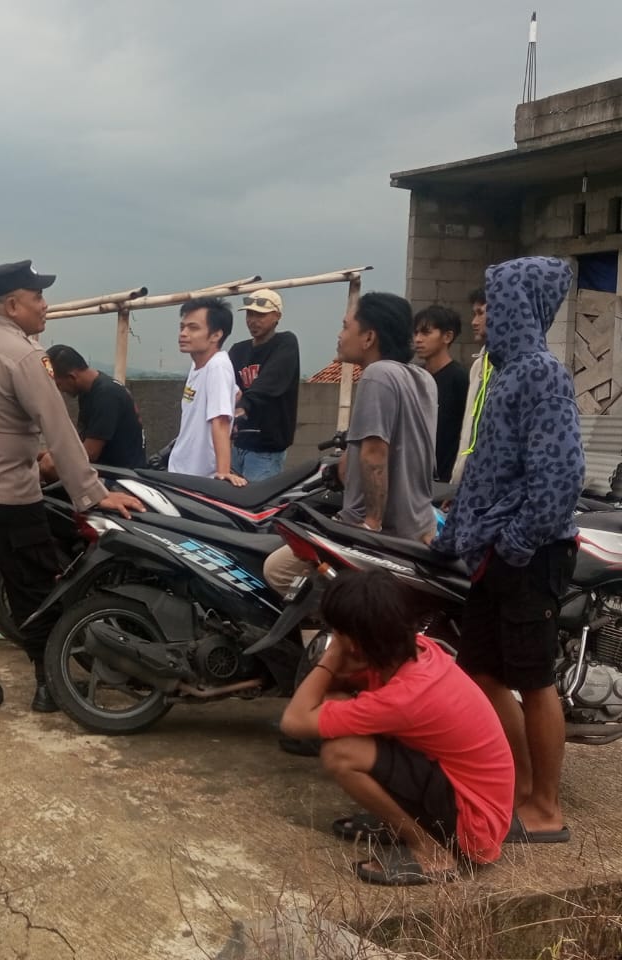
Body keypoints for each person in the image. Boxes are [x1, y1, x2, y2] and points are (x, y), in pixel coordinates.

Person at [0, 259, 144, 719]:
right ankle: (48, 687)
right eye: (38, 297)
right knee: (34, 587)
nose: (45, 307)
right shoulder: (23, 355)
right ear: (13, 304)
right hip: (5, 494)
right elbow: (58, 428)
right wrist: (93, 493)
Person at [434, 256, 582, 845]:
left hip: (528, 555)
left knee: (534, 678)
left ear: (522, 307)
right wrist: (451, 535)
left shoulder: (544, 374)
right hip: (490, 550)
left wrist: (515, 543)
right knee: (481, 671)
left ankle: (545, 808)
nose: (484, 315)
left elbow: (560, 475)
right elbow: (484, 470)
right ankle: (518, 787)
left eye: (495, 303)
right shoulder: (501, 373)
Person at [280, 569, 514, 885]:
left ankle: (430, 851)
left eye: (337, 632)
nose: (333, 637)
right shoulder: (411, 649)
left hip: (474, 825)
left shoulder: (405, 697)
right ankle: (400, 825)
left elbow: (294, 722)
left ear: (355, 642)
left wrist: (332, 655)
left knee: (341, 753)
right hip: (463, 792)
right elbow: (323, 697)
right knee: (334, 701)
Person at [263, 292, 437, 597]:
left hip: (382, 535)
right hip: (420, 526)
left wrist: (370, 526)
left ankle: (329, 640)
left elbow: (374, 454)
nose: (339, 335)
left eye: (345, 327)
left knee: (276, 569)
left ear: (368, 337)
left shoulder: (378, 375)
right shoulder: (423, 379)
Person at [167, 297, 245, 486]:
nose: (183, 333)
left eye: (193, 328)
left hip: (201, 478)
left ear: (216, 335)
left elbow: (220, 421)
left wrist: (223, 472)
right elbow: (236, 393)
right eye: (182, 327)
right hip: (181, 469)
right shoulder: (199, 365)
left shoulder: (217, 366)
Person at [40, 344, 147, 474]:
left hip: (121, 475)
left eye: (59, 384)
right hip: (106, 467)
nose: (60, 390)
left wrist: (51, 458)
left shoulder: (107, 395)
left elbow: (90, 453)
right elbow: (81, 443)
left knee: (49, 466)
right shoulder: (89, 390)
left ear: (72, 377)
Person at [228, 289, 300, 481]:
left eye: (260, 315)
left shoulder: (285, 343)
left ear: (277, 316)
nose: (252, 320)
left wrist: (244, 406)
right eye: (249, 314)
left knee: (255, 506)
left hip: (266, 450)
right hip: (237, 444)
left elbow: (271, 380)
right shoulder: (238, 350)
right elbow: (225, 386)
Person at [413, 305, 469, 481]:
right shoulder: (416, 377)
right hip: (413, 476)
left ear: (447, 336)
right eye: (416, 333)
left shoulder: (459, 379)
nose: (418, 339)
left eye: (425, 333)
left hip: (444, 481)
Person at [450, 288, 490, 485]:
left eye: (481, 313)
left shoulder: (521, 369)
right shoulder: (478, 367)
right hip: (467, 485)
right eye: (474, 314)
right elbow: (468, 433)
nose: (474, 322)